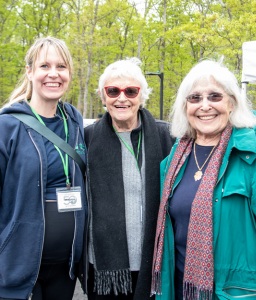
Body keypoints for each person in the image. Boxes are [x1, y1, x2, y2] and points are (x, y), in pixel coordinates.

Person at [151, 59, 256, 300]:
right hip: (180, 289)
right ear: (185, 106)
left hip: (239, 293)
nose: (205, 105)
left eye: (215, 96)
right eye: (195, 98)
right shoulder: (174, 161)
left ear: (231, 103)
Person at [0, 37, 87, 300]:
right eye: (44, 66)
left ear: (69, 73)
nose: (53, 74)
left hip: (66, 269)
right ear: (30, 72)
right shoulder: (8, 126)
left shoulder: (74, 120)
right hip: (18, 269)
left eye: (61, 67)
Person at [83, 57, 174, 300]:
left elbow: (207, 139)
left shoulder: (166, 136)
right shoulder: (87, 138)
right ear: (104, 97)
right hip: (104, 269)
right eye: (113, 91)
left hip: (155, 263)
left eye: (130, 91)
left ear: (141, 96)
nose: (121, 98)